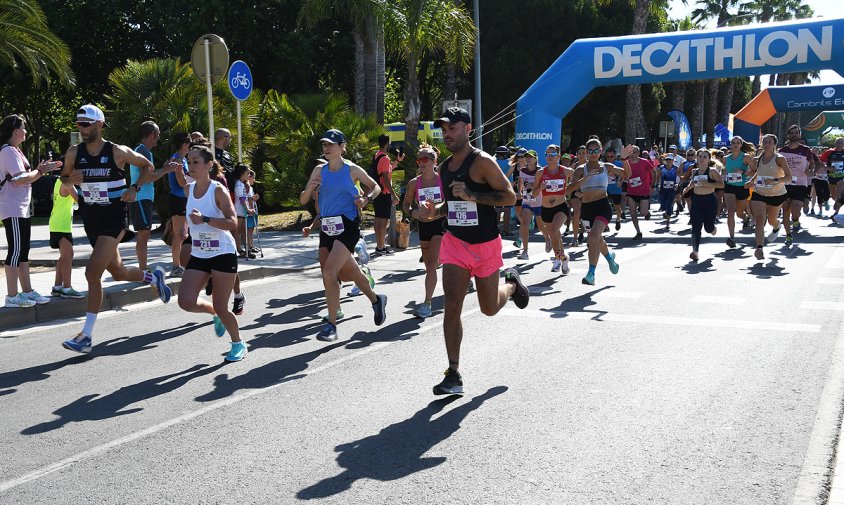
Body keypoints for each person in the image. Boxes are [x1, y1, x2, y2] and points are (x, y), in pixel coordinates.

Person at [417, 107, 529, 396]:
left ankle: (512, 284)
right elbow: (450, 206)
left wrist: (473, 195)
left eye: (452, 128)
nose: (447, 134)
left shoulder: (482, 162)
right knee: (452, 304)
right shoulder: (444, 168)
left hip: (485, 244)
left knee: (488, 308)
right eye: (443, 129)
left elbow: (509, 196)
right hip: (455, 243)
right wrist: (433, 213)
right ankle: (453, 373)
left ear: (468, 129)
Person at [60, 104, 174, 354]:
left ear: (100, 124)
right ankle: (153, 277)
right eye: (79, 123)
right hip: (91, 218)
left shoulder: (117, 151)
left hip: (114, 218)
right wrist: (71, 181)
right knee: (119, 272)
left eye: (87, 123)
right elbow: (63, 180)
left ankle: (86, 335)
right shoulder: (73, 152)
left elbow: (147, 166)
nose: (82, 128)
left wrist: (134, 188)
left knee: (92, 273)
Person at [300, 129, 387, 342]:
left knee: (330, 271)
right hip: (327, 227)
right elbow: (303, 200)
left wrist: (366, 199)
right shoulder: (319, 171)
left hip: (347, 224)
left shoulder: (352, 170)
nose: (326, 148)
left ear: (342, 147)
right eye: (324, 145)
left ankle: (331, 325)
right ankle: (377, 300)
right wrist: (310, 189)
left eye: (331, 144)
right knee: (349, 273)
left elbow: (375, 187)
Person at [176, 145, 247, 362]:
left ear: (208, 165)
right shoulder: (189, 189)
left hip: (222, 253)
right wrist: (186, 227)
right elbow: (183, 184)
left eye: (196, 161)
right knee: (185, 301)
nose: (191, 165)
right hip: (200, 252)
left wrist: (205, 220)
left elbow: (233, 223)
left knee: (221, 305)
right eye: (189, 161)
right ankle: (213, 314)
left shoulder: (218, 190)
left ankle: (238, 343)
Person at [1, 114, 62, 308]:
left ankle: (27, 291)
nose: (26, 131)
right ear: (16, 130)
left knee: (23, 252)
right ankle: (12, 296)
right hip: (13, 207)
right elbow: (21, 179)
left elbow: (27, 175)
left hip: (21, 208)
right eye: (24, 128)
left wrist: (43, 169)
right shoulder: (8, 151)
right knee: (16, 250)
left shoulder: (16, 151)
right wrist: (41, 171)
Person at [566, 139, 630, 285]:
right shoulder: (581, 169)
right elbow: (568, 190)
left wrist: (624, 159)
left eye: (596, 151)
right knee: (597, 239)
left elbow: (627, 174)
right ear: (587, 153)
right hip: (587, 209)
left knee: (593, 237)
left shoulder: (606, 166)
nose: (594, 154)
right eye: (591, 151)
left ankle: (591, 274)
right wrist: (584, 178)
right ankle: (610, 258)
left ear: (601, 151)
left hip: (602, 206)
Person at [403, 144, 445, 318]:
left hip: (441, 225)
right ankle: (445, 260)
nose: (421, 162)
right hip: (423, 226)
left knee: (430, 265)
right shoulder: (414, 183)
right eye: (419, 159)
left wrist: (438, 209)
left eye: (425, 159)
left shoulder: (443, 179)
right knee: (431, 265)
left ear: (434, 161)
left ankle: (427, 303)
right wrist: (414, 212)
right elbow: (405, 204)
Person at [129, 121, 175, 271]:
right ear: (152, 135)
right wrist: (165, 170)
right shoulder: (142, 151)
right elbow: (147, 178)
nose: (159, 138)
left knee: (144, 235)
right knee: (143, 235)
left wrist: (164, 169)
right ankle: (143, 270)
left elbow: (148, 175)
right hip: (141, 198)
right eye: (158, 134)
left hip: (143, 198)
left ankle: (143, 268)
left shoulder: (144, 151)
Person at [745, 134, 792, 260]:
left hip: (776, 194)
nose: (766, 145)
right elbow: (758, 173)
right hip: (759, 192)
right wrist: (751, 181)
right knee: (760, 219)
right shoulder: (760, 157)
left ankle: (776, 226)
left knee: (771, 220)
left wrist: (775, 180)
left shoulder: (779, 158)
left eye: (769, 142)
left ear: (774, 145)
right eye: (764, 142)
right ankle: (759, 248)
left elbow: (789, 177)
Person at [681, 149, 725, 262]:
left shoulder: (712, 171)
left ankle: (712, 228)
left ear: (709, 159)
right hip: (696, 200)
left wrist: (708, 184)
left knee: (708, 228)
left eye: (705, 157)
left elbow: (721, 184)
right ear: (697, 158)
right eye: (700, 156)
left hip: (709, 200)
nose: (702, 159)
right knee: (696, 227)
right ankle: (695, 251)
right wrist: (687, 189)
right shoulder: (694, 171)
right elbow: (693, 182)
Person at [534, 144, 571, 273]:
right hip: (546, 209)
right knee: (555, 236)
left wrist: (578, 191)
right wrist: (540, 188)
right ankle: (563, 258)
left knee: (554, 230)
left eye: (553, 155)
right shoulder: (540, 173)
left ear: (558, 156)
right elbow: (533, 193)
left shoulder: (565, 171)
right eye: (547, 155)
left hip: (561, 207)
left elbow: (579, 177)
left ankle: (557, 258)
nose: (550, 157)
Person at [49, 168, 84, 299]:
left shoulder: (59, 181)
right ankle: (67, 288)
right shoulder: (66, 183)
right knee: (68, 255)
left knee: (64, 256)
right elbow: (79, 198)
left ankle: (57, 286)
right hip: (61, 224)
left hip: (58, 223)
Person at [778, 125, 814, 245]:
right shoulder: (782, 151)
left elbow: (813, 163)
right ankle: (788, 235)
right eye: (792, 133)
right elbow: (777, 166)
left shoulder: (806, 150)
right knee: (785, 208)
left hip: (800, 183)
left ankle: (795, 220)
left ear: (799, 135)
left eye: (796, 133)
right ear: (788, 135)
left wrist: (810, 171)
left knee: (796, 208)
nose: (794, 135)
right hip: (785, 183)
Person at [369, 134, 402, 255]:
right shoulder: (385, 158)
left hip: (377, 191)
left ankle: (380, 246)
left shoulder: (377, 155)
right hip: (384, 193)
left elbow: (387, 171)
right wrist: (393, 194)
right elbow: (385, 177)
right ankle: (381, 247)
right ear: (387, 144)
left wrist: (397, 161)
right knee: (383, 221)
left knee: (378, 220)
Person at [166, 132, 192, 277]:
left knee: (182, 234)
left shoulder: (183, 159)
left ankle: (178, 265)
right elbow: (182, 182)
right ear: (184, 144)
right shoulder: (177, 159)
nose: (190, 147)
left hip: (183, 199)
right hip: (177, 199)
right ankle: (176, 267)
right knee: (178, 235)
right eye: (189, 144)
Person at [723, 136, 755, 248]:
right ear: (730, 145)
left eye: (737, 143)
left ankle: (745, 218)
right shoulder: (725, 158)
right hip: (730, 186)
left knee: (739, 213)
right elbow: (723, 170)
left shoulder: (746, 157)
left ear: (741, 145)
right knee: (730, 211)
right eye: (733, 143)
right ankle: (732, 237)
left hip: (742, 187)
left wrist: (744, 172)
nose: (735, 145)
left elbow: (755, 171)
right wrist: (724, 175)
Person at [516, 150, 548, 260]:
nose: (528, 159)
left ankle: (547, 238)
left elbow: (543, 186)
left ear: (536, 159)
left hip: (539, 201)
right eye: (527, 157)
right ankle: (525, 251)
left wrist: (533, 186)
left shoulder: (540, 171)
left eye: (531, 157)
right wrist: (519, 192)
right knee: (524, 223)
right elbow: (520, 182)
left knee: (540, 226)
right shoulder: (522, 170)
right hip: (527, 200)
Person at [622, 145, 657, 239]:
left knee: (643, 212)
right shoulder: (626, 163)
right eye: (630, 152)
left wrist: (653, 185)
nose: (632, 154)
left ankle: (647, 213)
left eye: (634, 152)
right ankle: (638, 232)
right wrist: (622, 185)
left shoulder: (644, 162)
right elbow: (624, 175)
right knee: (632, 212)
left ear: (638, 153)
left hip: (643, 192)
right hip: (631, 192)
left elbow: (654, 172)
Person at [820, 136, 844, 220]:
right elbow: (819, 160)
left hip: (841, 177)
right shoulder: (829, 152)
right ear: (835, 143)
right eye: (838, 142)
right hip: (831, 177)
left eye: (841, 143)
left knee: (839, 195)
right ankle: (837, 207)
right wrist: (827, 168)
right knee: (834, 197)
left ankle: (836, 214)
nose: (839, 144)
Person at [494, 145, 515, 236]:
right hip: (508, 188)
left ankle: (495, 230)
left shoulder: (493, 162)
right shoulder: (510, 163)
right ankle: (506, 230)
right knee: (507, 210)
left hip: (496, 188)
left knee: (497, 210)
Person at [604, 148, 624, 230]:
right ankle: (605, 224)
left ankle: (618, 220)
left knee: (617, 207)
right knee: (605, 207)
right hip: (606, 189)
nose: (610, 158)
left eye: (612, 156)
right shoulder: (603, 164)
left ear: (615, 156)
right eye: (608, 157)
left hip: (616, 189)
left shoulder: (619, 164)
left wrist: (620, 181)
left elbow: (624, 174)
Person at [657, 154, 678, 228]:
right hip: (663, 189)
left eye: (670, 160)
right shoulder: (661, 168)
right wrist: (658, 184)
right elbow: (658, 176)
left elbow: (679, 177)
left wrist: (677, 184)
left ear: (673, 161)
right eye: (667, 160)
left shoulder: (676, 168)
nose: (668, 161)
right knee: (663, 205)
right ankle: (666, 212)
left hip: (672, 189)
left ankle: (668, 223)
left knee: (669, 204)